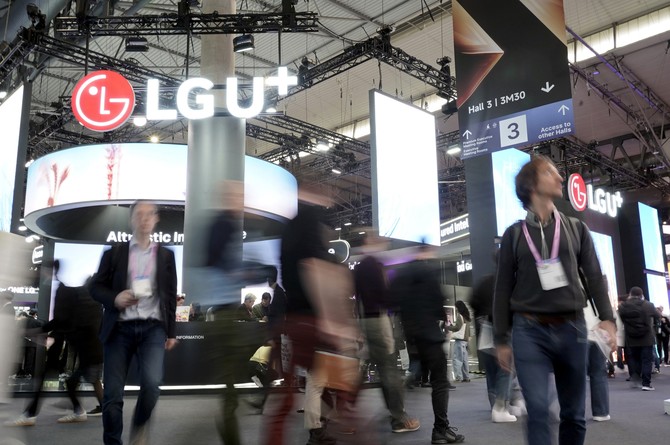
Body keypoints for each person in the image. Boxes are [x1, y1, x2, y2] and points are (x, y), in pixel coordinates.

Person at [493, 155, 616, 445]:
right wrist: (501, 339)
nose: (561, 178)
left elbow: (594, 276)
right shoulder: (514, 235)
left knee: (573, 414)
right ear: (532, 185)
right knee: (537, 409)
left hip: (572, 328)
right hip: (529, 331)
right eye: (551, 172)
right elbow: (502, 289)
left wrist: (608, 318)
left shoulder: (576, 228)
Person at [90, 200, 178, 445]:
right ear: (131, 219)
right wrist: (115, 298)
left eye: (150, 214)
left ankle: (140, 424)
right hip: (119, 329)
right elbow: (95, 287)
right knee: (112, 394)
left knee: (152, 385)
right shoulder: (114, 253)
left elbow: (170, 296)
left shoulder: (166, 255)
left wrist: (172, 332)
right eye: (139, 214)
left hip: (152, 328)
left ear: (156, 219)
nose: (144, 218)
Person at [391, 244, 465, 444]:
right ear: (425, 253)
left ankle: (399, 413)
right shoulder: (428, 272)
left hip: (413, 336)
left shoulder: (402, 274)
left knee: (416, 372)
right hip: (430, 335)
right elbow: (438, 304)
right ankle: (440, 429)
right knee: (440, 382)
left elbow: (393, 302)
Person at [353, 232, 420, 434]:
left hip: (366, 321)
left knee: (371, 371)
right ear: (369, 241)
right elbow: (384, 297)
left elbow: (358, 298)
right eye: (377, 239)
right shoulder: (373, 265)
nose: (383, 242)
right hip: (378, 322)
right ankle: (399, 418)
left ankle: (343, 416)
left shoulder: (361, 267)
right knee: (389, 371)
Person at [618, 286, 660, 390]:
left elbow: (622, 320)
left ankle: (636, 380)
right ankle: (646, 384)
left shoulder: (623, 306)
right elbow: (657, 316)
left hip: (631, 337)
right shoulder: (648, 305)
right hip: (646, 337)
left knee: (634, 359)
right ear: (641, 295)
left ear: (630, 294)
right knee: (646, 360)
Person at [451, 301, 471, 384]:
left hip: (459, 341)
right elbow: (468, 330)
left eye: (456, 307)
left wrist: (449, 327)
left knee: (457, 359)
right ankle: (466, 377)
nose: (455, 308)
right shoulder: (467, 316)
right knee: (465, 360)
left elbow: (457, 328)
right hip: (465, 341)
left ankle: (458, 377)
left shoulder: (460, 316)